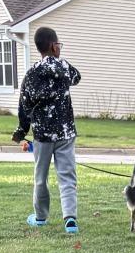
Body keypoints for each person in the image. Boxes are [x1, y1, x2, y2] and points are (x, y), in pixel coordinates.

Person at [11, 27, 82, 234]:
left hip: (42, 135)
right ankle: (70, 219)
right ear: (53, 46)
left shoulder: (32, 74)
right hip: (66, 133)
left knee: (40, 176)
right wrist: (60, 60)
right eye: (58, 44)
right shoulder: (64, 68)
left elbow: (24, 107)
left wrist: (22, 131)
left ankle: (40, 217)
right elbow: (77, 77)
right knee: (67, 176)